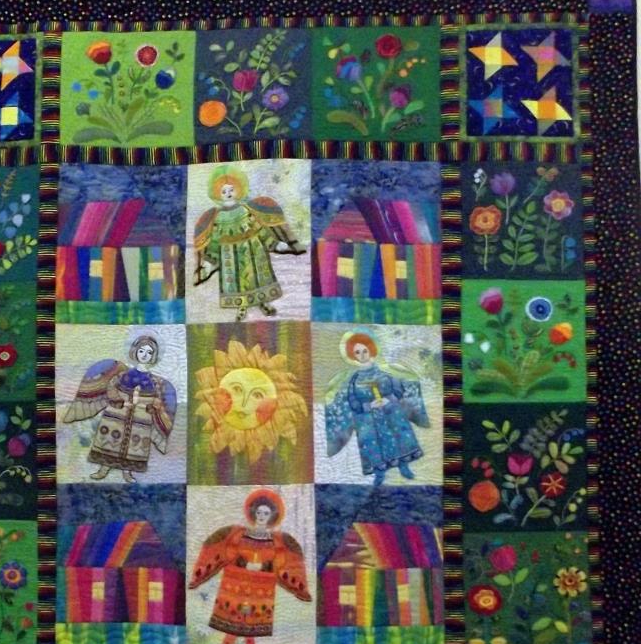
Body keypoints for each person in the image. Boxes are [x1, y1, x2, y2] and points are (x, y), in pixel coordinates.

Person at [188, 489, 311, 644]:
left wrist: (262, 567)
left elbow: (285, 563)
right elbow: (223, 552)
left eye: (266, 513)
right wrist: (244, 564)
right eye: (259, 512)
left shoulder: (278, 541)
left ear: (272, 516)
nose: (261, 516)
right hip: (235, 585)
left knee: (251, 621)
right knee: (235, 619)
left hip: (261, 589)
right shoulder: (237, 534)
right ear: (253, 513)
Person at [193, 166, 305, 321]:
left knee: (258, 278)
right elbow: (215, 240)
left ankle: (264, 303)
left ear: (238, 189)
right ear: (218, 193)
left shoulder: (246, 210)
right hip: (229, 255)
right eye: (224, 191)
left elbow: (259, 229)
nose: (228, 193)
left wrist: (274, 244)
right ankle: (242, 307)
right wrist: (209, 259)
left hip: (254, 250)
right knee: (237, 282)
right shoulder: (217, 217)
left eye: (231, 189)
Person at [63, 334, 176, 483]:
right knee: (110, 439)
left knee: (134, 444)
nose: (145, 355)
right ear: (135, 351)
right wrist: (118, 400)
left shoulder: (155, 382)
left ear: (154, 356)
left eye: (149, 352)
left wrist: (151, 405)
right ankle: (103, 469)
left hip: (140, 418)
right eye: (141, 351)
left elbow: (158, 400)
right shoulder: (123, 374)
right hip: (117, 413)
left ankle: (127, 472)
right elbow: (111, 387)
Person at [325, 330, 429, 486]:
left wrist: (389, 400)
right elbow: (352, 401)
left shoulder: (387, 372)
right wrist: (368, 406)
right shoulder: (354, 380)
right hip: (368, 418)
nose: (362, 355)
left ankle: (404, 466)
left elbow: (399, 389)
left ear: (371, 349)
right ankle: (379, 472)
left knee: (398, 436)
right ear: (352, 355)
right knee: (372, 443)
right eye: (357, 352)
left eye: (364, 350)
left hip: (391, 412)